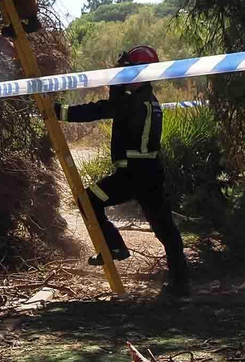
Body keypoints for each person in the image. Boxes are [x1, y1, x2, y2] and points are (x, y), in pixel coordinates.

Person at [55, 45, 191, 299]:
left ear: (137, 72)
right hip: (146, 173)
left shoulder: (135, 102)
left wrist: (60, 112)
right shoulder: (143, 99)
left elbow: (99, 110)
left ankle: (116, 247)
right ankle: (180, 281)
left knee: (88, 200)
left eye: (125, 69)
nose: (120, 74)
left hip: (136, 173)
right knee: (165, 229)